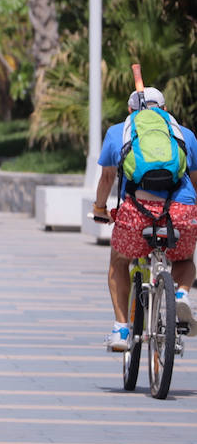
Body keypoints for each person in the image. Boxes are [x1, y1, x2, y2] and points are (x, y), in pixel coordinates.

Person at [91, 86, 196, 352]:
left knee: (118, 261)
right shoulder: (186, 135)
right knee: (183, 259)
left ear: (130, 111)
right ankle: (181, 293)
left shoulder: (119, 132)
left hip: (136, 214)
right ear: (164, 109)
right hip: (180, 211)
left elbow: (106, 178)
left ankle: (121, 328)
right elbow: (194, 183)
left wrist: (100, 208)